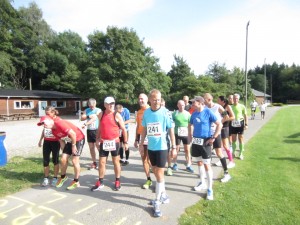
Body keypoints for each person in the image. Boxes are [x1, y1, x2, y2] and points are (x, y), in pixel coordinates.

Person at [139, 89, 177, 217]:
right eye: (154, 100)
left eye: (159, 99)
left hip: (162, 147)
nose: (157, 102)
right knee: (155, 171)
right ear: (150, 100)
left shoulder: (165, 112)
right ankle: (163, 194)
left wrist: (174, 147)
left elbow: (171, 130)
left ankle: (157, 202)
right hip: (151, 147)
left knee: (159, 173)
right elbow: (144, 129)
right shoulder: (147, 113)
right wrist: (141, 143)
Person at [37, 115, 85, 190]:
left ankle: (76, 181)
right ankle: (63, 177)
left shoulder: (59, 123)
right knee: (63, 159)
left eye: (44, 122)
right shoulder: (53, 131)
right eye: (42, 124)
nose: (44, 125)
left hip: (78, 139)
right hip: (69, 140)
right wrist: (64, 153)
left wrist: (73, 145)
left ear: (50, 120)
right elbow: (61, 141)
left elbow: (73, 134)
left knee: (74, 161)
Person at [188, 96, 222, 200]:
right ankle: (202, 182)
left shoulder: (208, 112)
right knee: (199, 162)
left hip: (205, 141)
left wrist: (213, 137)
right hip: (196, 141)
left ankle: (210, 189)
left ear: (200, 103)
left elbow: (219, 124)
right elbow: (190, 124)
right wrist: (190, 136)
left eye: (194, 102)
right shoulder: (194, 113)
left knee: (207, 165)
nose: (192, 104)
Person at [91, 97, 128, 191]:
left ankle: (117, 180)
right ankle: (100, 181)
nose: (111, 105)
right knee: (102, 162)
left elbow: (123, 129)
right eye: (109, 104)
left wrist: (126, 142)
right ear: (105, 105)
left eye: (113, 103)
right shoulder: (101, 114)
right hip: (104, 141)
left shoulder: (117, 114)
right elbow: (100, 127)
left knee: (116, 162)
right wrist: (97, 139)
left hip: (114, 142)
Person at [203, 93, 231, 183]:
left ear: (209, 99)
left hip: (216, 133)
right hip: (207, 133)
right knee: (207, 153)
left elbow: (226, 116)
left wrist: (219, 123)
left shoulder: (218, 106)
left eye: (205, 99)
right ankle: (208, 172)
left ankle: (226, 173)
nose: (203, 101)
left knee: (219, 153)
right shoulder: (205, 108)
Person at [38, 106, 61, 187]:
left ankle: (55, 178)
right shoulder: (45, 119)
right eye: (46, 114)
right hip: (46, 141)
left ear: (53, 112)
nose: (47, 115)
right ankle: (46, 178)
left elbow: (62, 130)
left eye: (48, 114)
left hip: (55, 142)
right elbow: (44, 129)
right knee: (45, 160)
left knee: (55, 160)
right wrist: (41, 140)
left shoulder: (58, 120)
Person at [134, 93, 153, 189]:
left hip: (152, 138)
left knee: (153, 160)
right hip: (142, 138)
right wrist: (136, 139)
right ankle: (149, 179)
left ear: (147, 100)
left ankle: (159, 181)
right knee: (144, 159)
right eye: (139, 99)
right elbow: (138, 126)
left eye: (142, 99)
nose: (140, 100)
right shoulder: (139, 112)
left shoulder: (151, 110)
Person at [171, 100, 193, 172]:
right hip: (177, 134)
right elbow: (170, 123)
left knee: (187, 150)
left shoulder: (188, 114)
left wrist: (191, 134)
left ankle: (189, 165)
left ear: (185, 105)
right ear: (177, 106)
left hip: (185, 134)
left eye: (183, 105)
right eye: (180, 105)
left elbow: (191, 125)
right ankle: (175, 163)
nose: (181, 107)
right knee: (176, 149)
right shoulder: (174, 114)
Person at [81, 98, 101, 170]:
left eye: (92, 106)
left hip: (96, 130)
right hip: (89, 131)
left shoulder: (98, 110)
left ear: (95, 104)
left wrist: (86, 124)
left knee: (98, 147)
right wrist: (88, 116)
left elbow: (94, 118)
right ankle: (94, 162)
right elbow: (82, 118)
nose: (91, 107)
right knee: (91, 148)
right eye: (90, 106)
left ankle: (101, 162)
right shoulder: (86, 110)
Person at [217, 96, 235, 168]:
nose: (217, 101)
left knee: (225, 145)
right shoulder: (219, 107)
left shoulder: (227, 107)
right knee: (220, 145)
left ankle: (231, 161)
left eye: (218, 100)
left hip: (225, 127)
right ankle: (221, 159)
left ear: (223, 101)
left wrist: (223, 120)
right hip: (219, 127)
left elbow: (233, 117)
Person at [231, 93, 248, 160]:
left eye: (236, 98)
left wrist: (246, 124)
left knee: (240, 138)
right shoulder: (230, 106)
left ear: (238, 99)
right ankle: (233, 152)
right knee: (233, 139)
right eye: (234, 98)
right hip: (233, 124)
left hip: (240, 123)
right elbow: (224, 113)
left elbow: (245, 115)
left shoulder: (242, 106)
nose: (235, 99)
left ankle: (241, 153)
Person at [161, 98, 175, 176]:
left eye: (163, 105)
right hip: (158, 137)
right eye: (161, 105)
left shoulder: (167, 112)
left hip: (166, 136)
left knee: (168, 153)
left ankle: (169, 167)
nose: (162, 106)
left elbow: (171, 126)